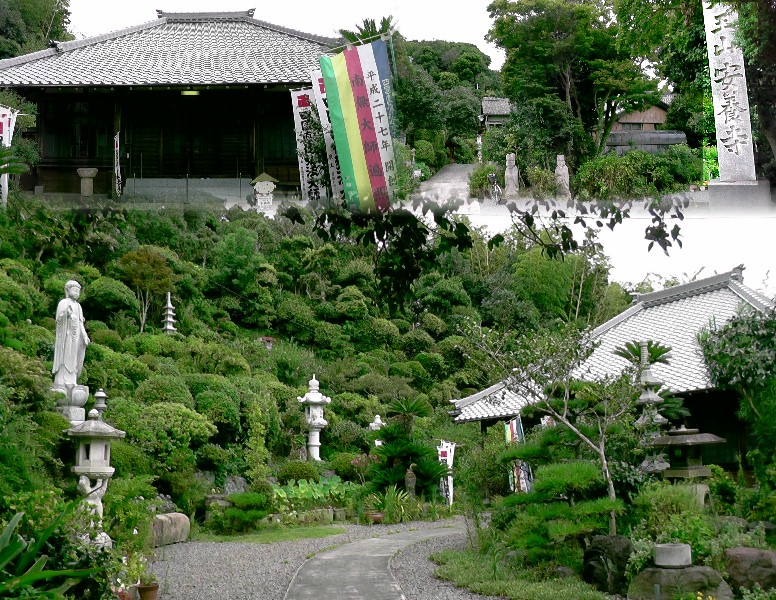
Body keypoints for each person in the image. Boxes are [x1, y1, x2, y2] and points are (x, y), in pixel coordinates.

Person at [53, 280, 90, 387]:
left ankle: (72, 380)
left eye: (78, 291)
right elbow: (58, 320)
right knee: (66, 355)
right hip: (66, 336)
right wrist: (66, 313)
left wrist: (84, 335)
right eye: (74, 290)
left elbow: (80, 323)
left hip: (76, 337)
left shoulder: (78, 306)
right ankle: (61, 381)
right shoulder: (63, 302)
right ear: (68, 290)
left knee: (74, 358)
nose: (77, 293)